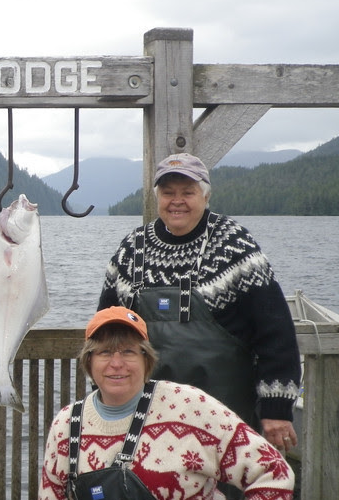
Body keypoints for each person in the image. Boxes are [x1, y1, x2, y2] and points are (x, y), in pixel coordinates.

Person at [39, 306, 294, 500]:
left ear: (146, 359)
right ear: (89, 361)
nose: (116, 363)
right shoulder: (67, 427)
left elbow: (272, 471)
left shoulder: (190, 406)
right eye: (105, 352)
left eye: (129, 352)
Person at [98, 153, 300, 451]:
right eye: (168, 193)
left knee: (225, 482)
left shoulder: (235, 244)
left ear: (205, 196)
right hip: (146, 418)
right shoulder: (132, 248)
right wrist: (103, 393)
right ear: (157, 198)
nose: (177, 201)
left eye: (188, 192)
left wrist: (276, 408)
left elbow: (276, 331)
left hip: (225, 419)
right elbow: (104, 332)